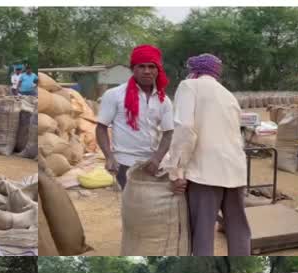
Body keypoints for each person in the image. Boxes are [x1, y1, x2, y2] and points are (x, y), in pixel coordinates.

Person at [167, 53, 250, 256]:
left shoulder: (189, 86)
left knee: (203, 231)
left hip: (205, 173)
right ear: (215, 73)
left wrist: (176, 171)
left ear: (193, 71)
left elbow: (185, 129)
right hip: (235, 171)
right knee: (238, 229)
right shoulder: (228, 95)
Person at [96, 45, 174, 190]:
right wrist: (109, 157)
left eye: (151, 67)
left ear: (158, 70)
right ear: (133, 69)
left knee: (153, 208)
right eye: (141, 66)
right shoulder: (114, 95)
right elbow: (101, 128)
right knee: (134, 208)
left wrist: (157, 158)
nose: (147, 71)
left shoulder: (164, 100)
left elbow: (168, 133)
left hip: (154, 163)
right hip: (125, 163)